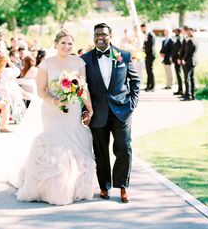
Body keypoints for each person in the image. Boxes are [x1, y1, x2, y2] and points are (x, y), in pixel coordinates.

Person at [15, 30, 96, 205]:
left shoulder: (79, 62)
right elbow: (41, 91)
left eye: (70, 44)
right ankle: (51, 189)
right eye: (63, 43)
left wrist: (89, 108)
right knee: (55, 145)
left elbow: (83, 88)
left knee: (74, 145)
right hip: (52, 111)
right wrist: (55, 101)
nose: (67, 47)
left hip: (73, 110)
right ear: (56, 44)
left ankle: (74, 187)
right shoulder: (46, 64)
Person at [81, 23, 140, 203]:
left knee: (124, 148)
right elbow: (81, 88)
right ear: (93, 36)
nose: (100, 37)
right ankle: (104, 186)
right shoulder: (85, 59)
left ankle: (123, 186)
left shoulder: (124, 56)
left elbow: (135, 81)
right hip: (97, 112)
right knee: (100, 152)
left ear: (110, 36)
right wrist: (85, 110)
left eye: (104, 34)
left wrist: (132, 103)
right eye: (97, 34)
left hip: (122, 110)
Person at [181, 28, 198, 101]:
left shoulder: (190, 41)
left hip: (188, 62)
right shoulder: (196, 40)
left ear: (192, 32)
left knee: (187, 78)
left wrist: (183, 59)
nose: (187, 33)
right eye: (187, 31)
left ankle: (188, 95)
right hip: (193, 61)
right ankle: (193, 95)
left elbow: (187, 52)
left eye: (189, 32)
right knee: (192, 78)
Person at [140, 23, 156, 91]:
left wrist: (145, 50)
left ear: (145, 27)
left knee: (150, 71)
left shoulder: (151, 35)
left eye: (142, 29)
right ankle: (148, 85)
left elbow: (151, 46)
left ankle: (152, 86)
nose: (142, 30)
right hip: (147, 55)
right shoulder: (146, 35)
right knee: (148, 71)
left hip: (150, 55)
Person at [171, 28, 184, 95]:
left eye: (176, 31)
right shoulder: (176, 39)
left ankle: (181, 90)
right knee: (178, 74)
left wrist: (179, 58)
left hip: (178, 60)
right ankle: (180, 89)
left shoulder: (180, 39)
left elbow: (180, 50)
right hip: (175, 59)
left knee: (179, 74)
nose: (175, 32)